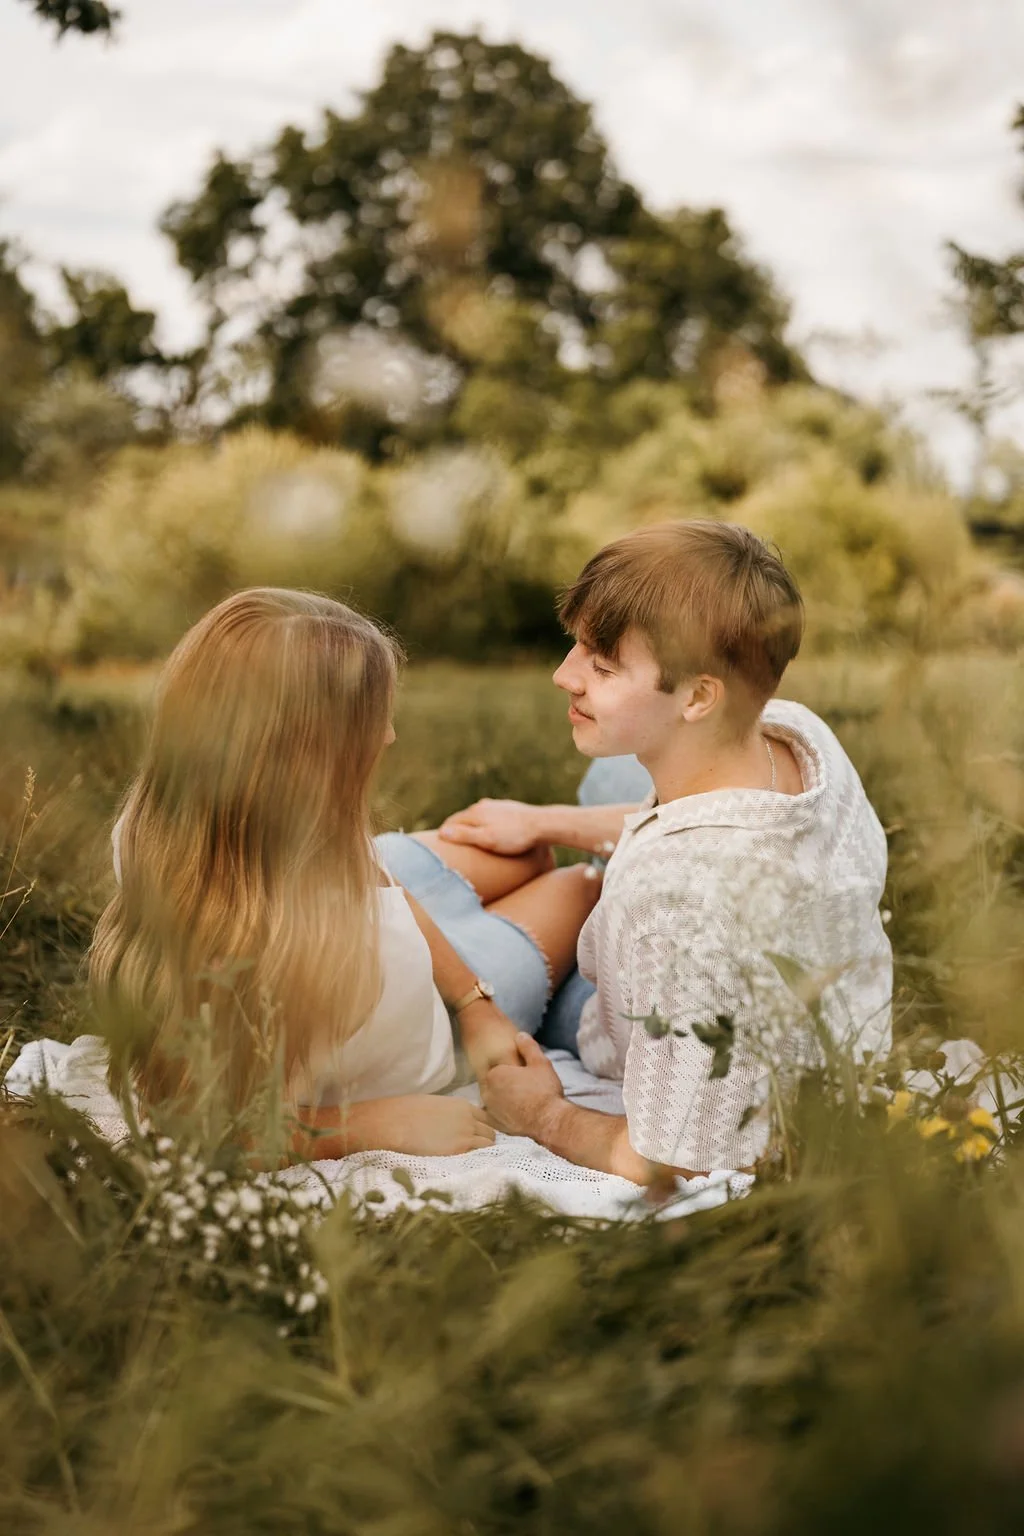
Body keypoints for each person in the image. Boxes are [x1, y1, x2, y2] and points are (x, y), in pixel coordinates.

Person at [434, 521, 894, 1182]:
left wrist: (540, 1113)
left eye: (602, 665)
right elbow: (704, 827)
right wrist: (544, 822)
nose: (564, 675)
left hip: (631, 1024)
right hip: (807, 994)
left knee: (428, 935)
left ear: (701, 695)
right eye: (577, 649)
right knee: (611, 784)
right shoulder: (796, 731)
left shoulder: (675, 911)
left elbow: (679, 1155)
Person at [89, 588, 599, 1163]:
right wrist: (368, 1123)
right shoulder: (245, 949)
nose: (389, 736)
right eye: (372, 721)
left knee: (529, 853)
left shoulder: (245, 818)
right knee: (577, 883)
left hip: (418, 956)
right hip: (429, 1028)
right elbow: (202, 1128)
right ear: (307, 755)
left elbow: (377, 884)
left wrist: (478, 1006)